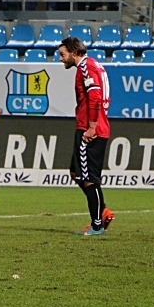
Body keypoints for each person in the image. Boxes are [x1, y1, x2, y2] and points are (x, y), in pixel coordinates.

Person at [57, 36, 114, 236]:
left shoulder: (86, 67)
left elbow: (96, 96)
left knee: (89, 178)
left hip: (90, 129)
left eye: (63, 55)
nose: (61, 59)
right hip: (93, 126)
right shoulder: (93, 64)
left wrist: (91, 127)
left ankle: (97, 224)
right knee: (75, 171)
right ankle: (102, 210)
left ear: (74, 52)